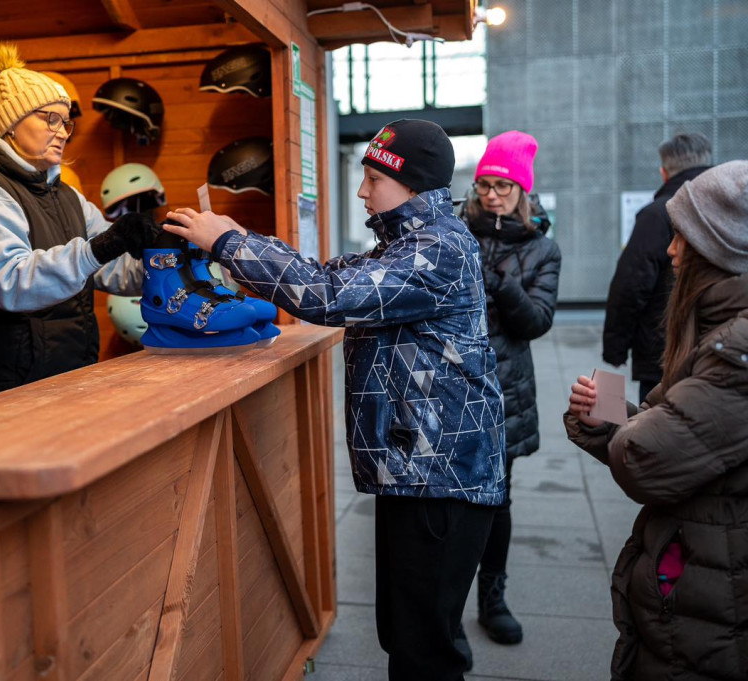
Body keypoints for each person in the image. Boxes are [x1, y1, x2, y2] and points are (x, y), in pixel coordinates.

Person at [165, 119, 506, 681]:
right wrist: (234, 239)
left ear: (414, 186)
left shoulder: (437, 249)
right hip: (422, 468)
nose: (362, 190)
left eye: (373, 178)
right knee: (407, 633)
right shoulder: (406, 242)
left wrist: (228, 242)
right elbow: (324, 274)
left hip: (442, 476)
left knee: (424, 651)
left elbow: (326, 297)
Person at [565, 161, 748, 680]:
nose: (670, 251)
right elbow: (670, 422)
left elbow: (648, 454)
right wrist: (607, 413)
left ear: (718, 251)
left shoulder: (737, 346)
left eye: (682, 240)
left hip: (715, 585)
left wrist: (624, 425)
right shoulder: (718, 331)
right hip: (709, 568)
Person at [0, 43, 158, 396]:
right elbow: (11, 281)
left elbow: (113, 269)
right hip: (14, 387)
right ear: (11, 123)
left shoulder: (68, 197)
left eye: (65, 122)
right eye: (49, 118)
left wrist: (170, 255)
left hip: (72, 373)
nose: (61, 132)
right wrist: (101, 247)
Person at [454, 131, 561, 659]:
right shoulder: (454, 233)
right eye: (485, 185)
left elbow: (537, 321)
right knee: (449, 500)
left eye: (504, 186)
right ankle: (446, 612)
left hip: (504, 390)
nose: (492, 195)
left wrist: (503, 285)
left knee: (497, 501)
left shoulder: (542, 248)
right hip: (450, 385)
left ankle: (492, 600)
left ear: (523, 191)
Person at [603, 133, 712, 403]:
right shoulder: (727, 210)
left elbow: (631, 282)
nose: (672, 250)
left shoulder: (657, 214)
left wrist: (615, 347)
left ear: (664, 173)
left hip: (664, 352)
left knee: (653, 425)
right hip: (716, 348)